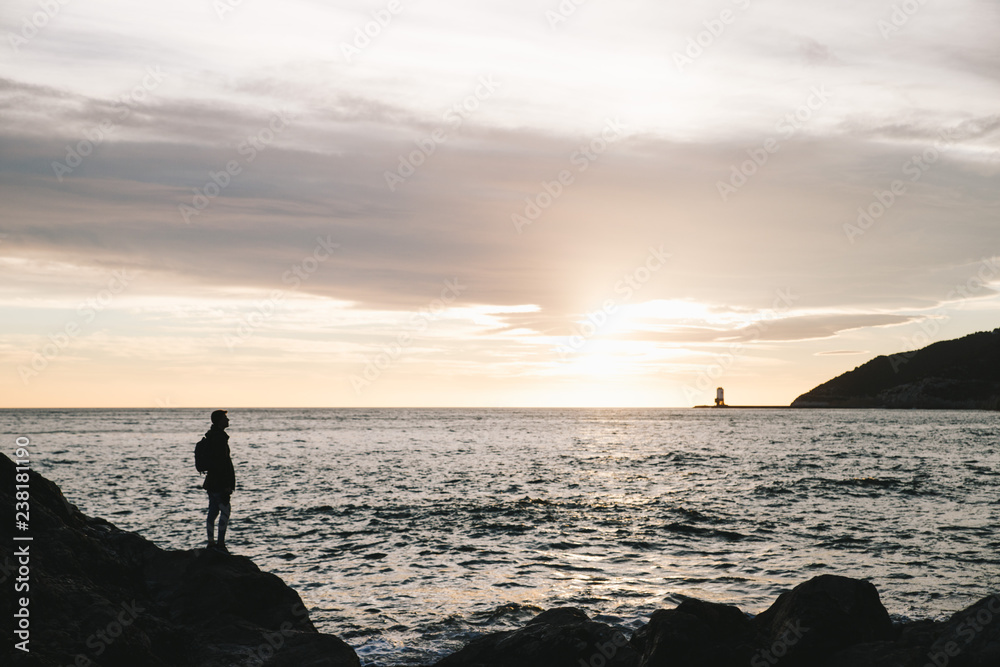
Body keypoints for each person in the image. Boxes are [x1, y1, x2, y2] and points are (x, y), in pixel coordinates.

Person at [201, 409, 236, 553]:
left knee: (213, 512)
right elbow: (222, 464)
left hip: (212, 482)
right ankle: (220, 543)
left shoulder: (212, 436)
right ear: (219, 421)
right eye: (225, 418)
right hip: (219, 483)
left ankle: (211, 542)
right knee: (225, 511)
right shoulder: (219, 438)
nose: (228, 421)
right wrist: (227, 485)